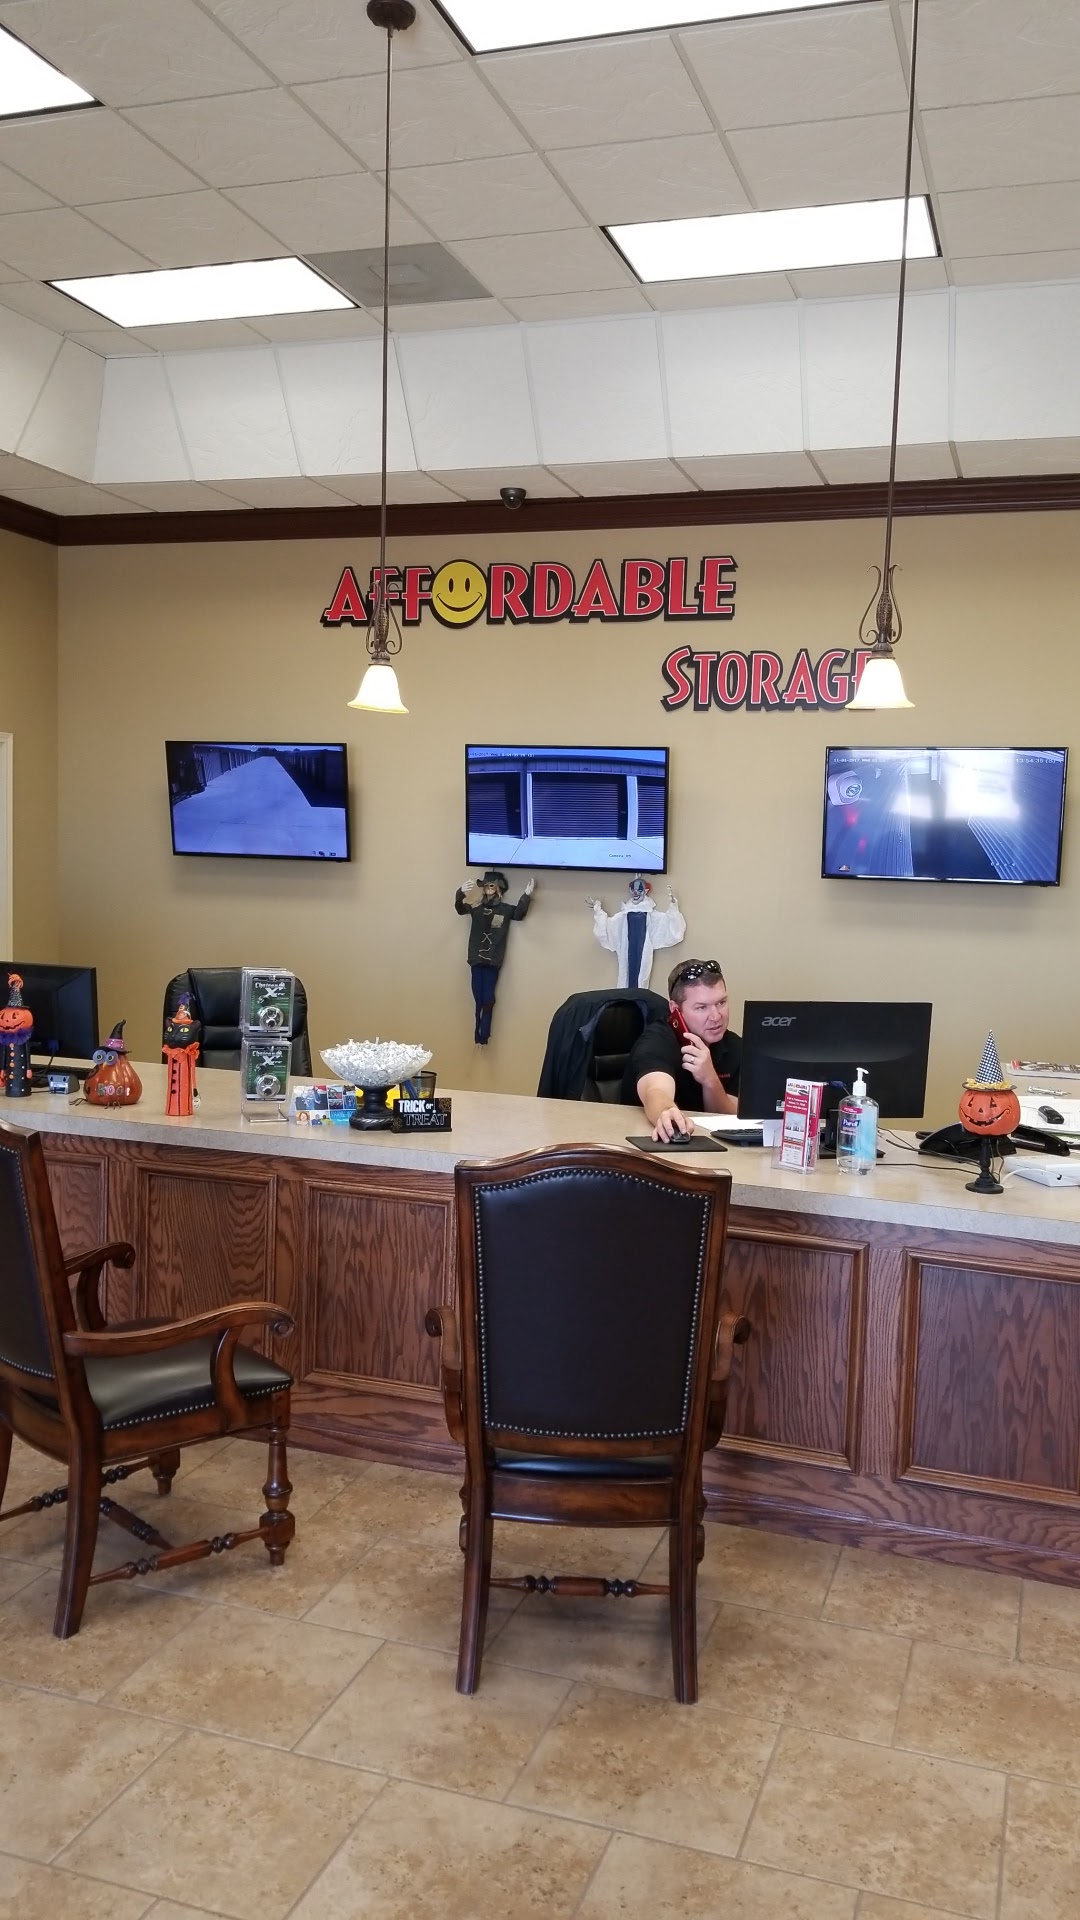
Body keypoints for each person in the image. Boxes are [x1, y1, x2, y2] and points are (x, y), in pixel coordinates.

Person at [622, 957, 741, 1141]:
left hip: (710, 1147)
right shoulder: (656, 1042)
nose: (716, 1016)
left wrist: (710, 1080)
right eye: (701, 1007)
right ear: (675, 1009)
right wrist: (667, 1113)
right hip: (648, 1145)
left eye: (721, 1003)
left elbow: (731, 1118)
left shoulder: (733, 1045)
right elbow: (655, 1091)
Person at [455, 869, 535, 1045]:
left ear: (498, 888)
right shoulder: (476, 908)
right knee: (477, 995)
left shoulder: (504, 910)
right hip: (476, 958)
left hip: (492, 959)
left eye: (491, 885)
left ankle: (484, 1034)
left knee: (488, 998)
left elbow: (519, 914)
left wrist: (526, 895)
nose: (488, 889)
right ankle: (478, 1034)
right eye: (486, 886)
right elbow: (460, 909)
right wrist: (460, 893)